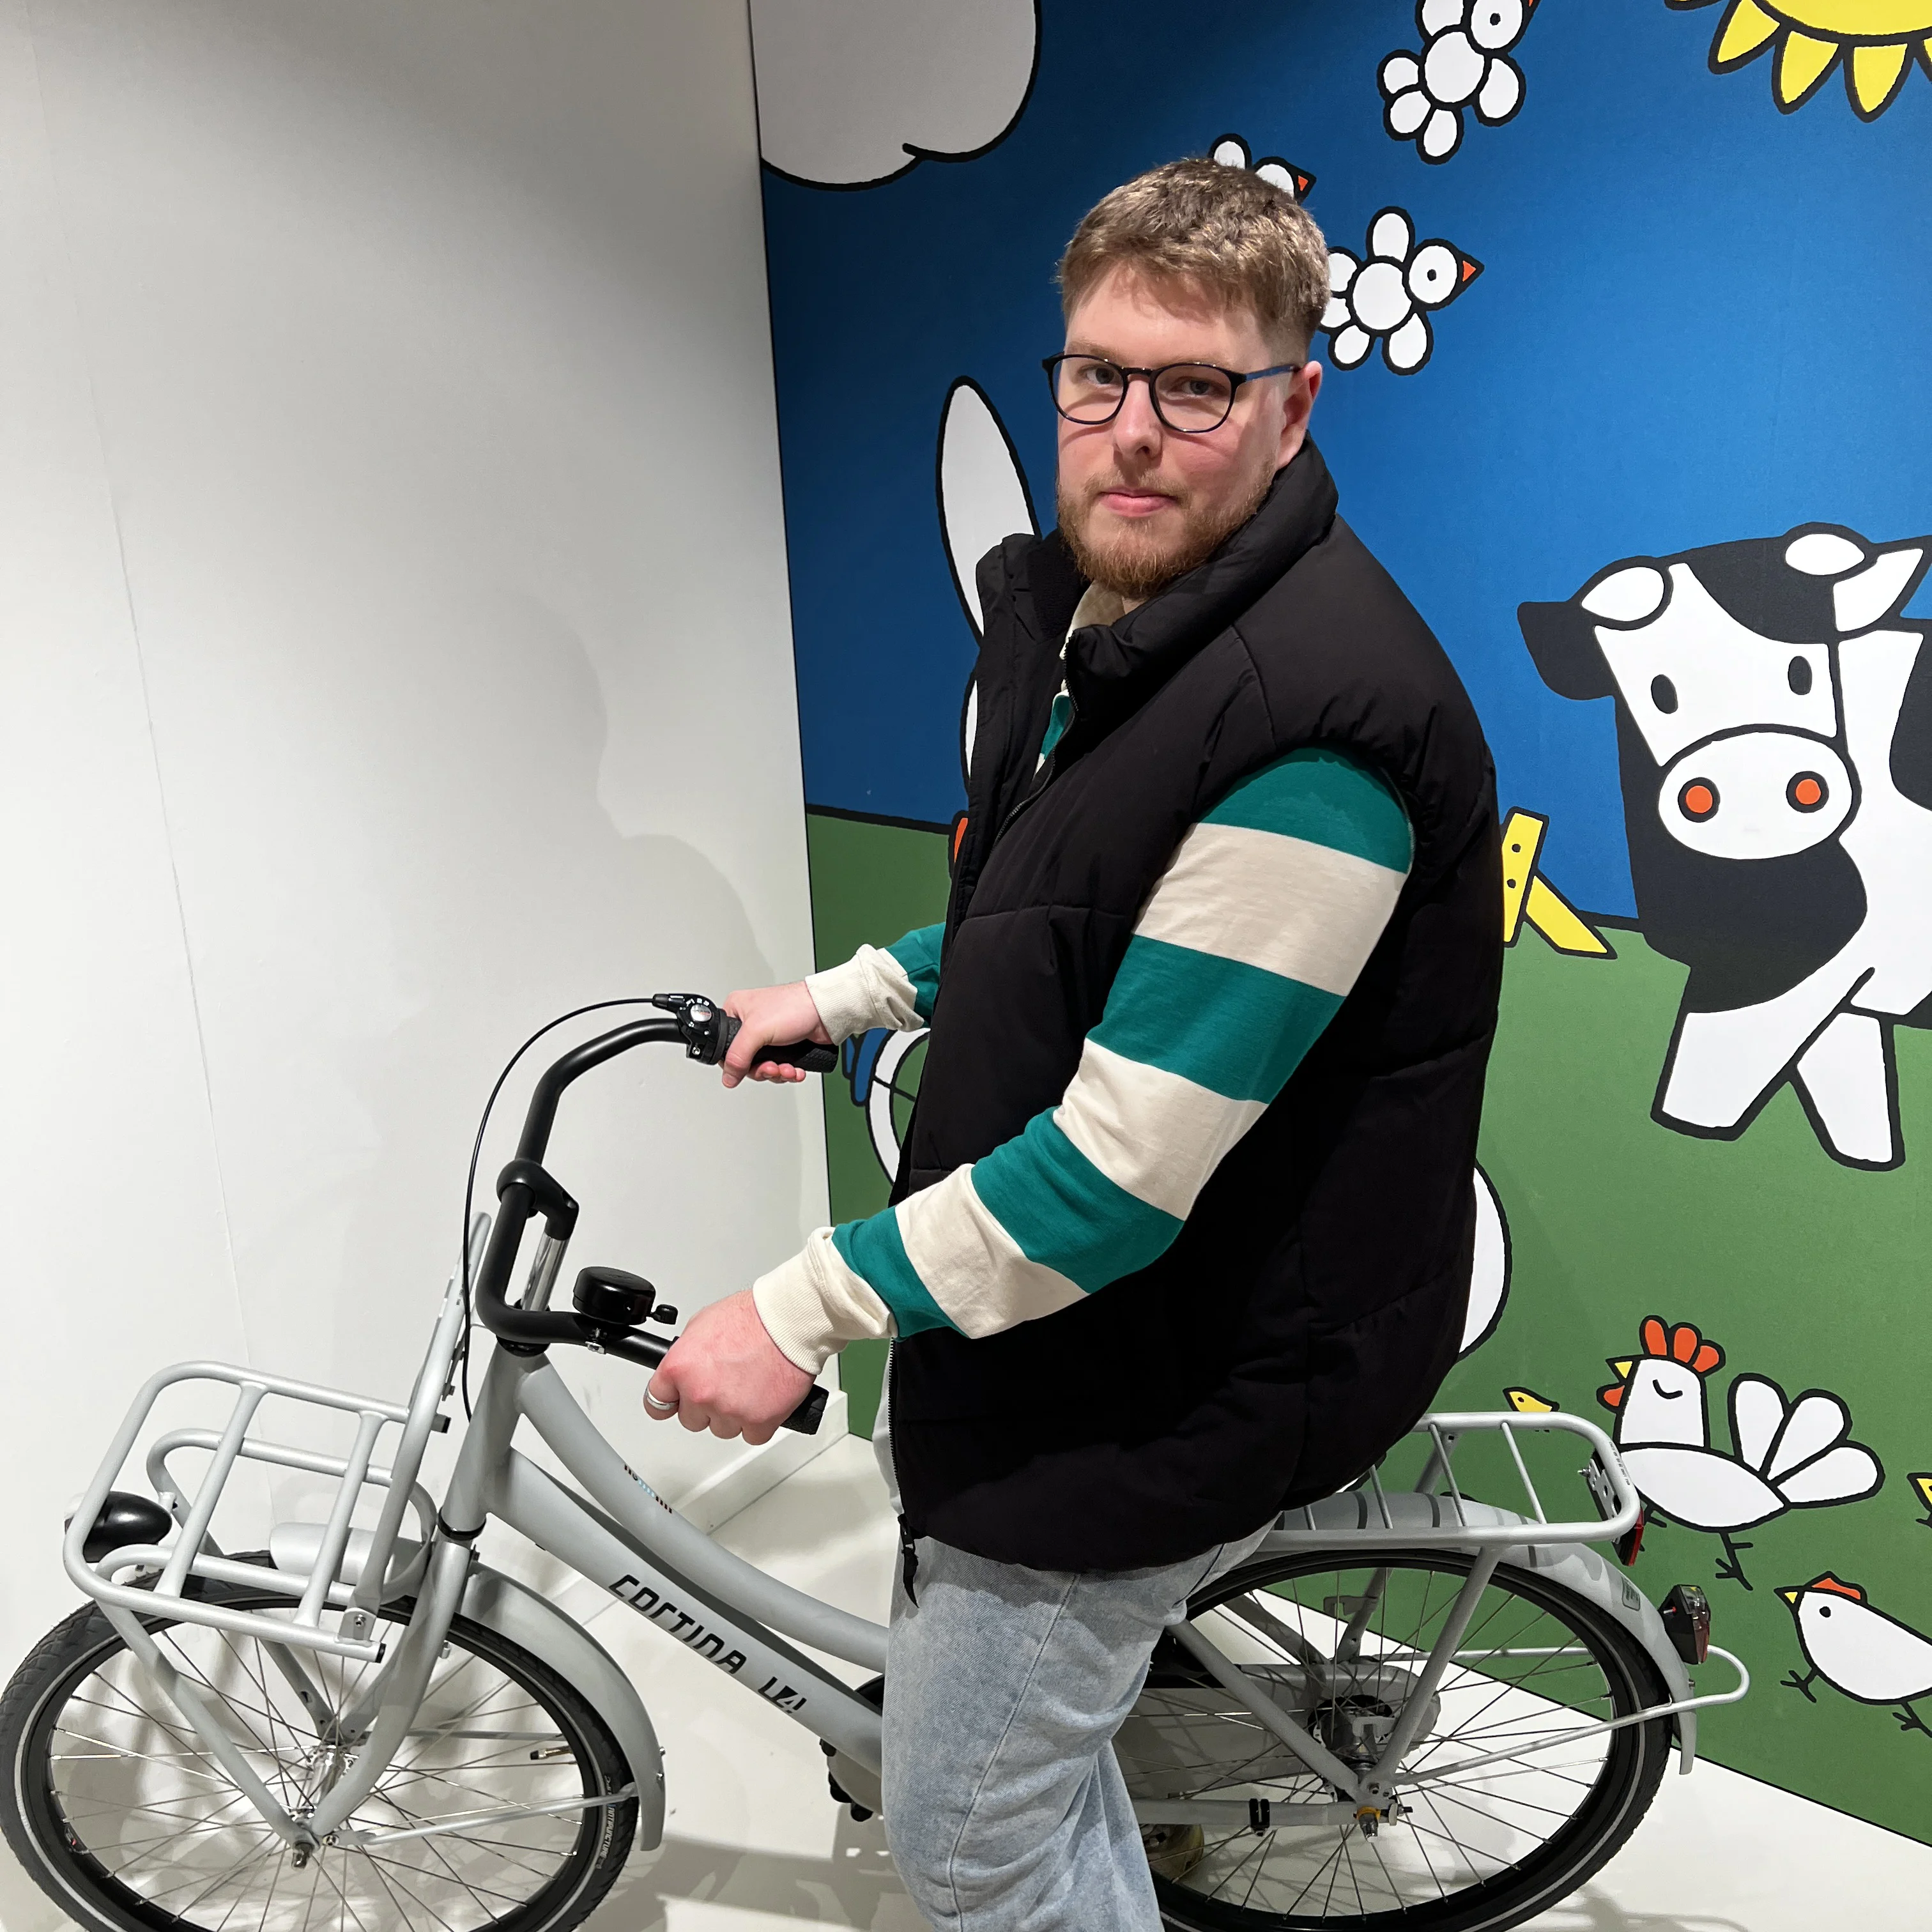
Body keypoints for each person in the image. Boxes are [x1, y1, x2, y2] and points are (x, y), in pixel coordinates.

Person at [642, 157, 1502, 1930]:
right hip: (1084, 1331)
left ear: (1292, 407)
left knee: (970, 1842)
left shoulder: (1310, 735)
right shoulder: (1126, 622)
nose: (1131, 430)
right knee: (1034, 1793)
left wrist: (791, 1311)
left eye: (1196, 388)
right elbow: (1063, 907)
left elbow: (1110, 1185)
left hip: (1165, 1372)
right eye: (1096, 377)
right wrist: (854, 992)